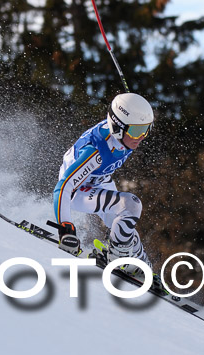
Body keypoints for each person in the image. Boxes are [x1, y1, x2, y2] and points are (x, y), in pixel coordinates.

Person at [52, 93, 153, 275]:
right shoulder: (95, 151)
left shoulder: (125, 136)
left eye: (146, 129)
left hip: (100, 183)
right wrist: (65, 228)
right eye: (137, 131)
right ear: (118, 128)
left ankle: (140, 266)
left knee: (126, 230)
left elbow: (124, 111)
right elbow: (63, 187)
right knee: (132, 205)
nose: (141, 137)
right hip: (77, 190)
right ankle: (117, 257)